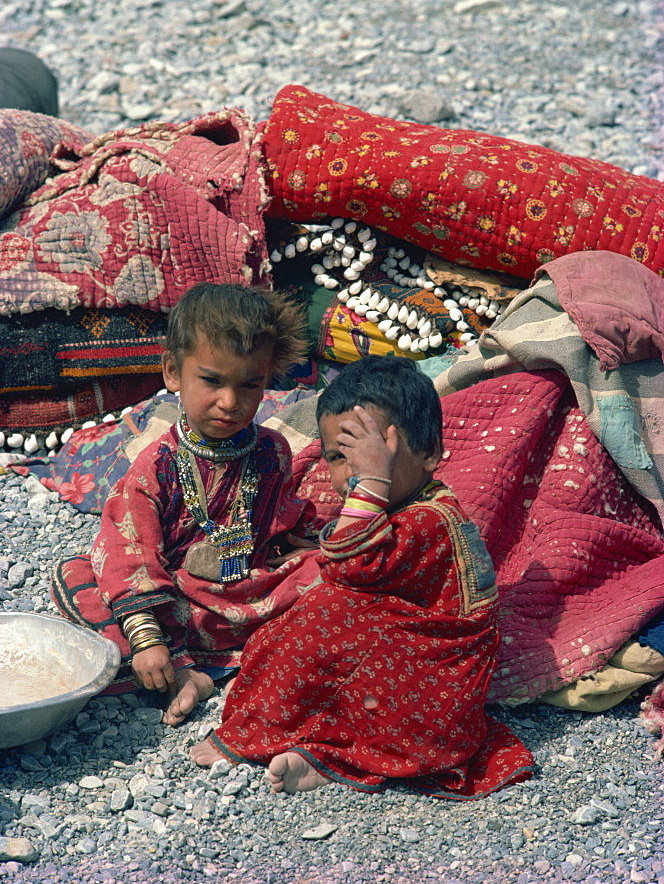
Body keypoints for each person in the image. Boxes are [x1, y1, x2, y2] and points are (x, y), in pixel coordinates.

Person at [191, 356, 533, 798]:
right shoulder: (390, 509)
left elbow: (352, 571)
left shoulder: (431, 519)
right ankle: (324, 754)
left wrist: (372, 482)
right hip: (392, 671)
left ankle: (299, 741)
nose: (355, 472)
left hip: (431, 699)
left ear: (429, 453)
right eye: (339, 456)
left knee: (325, 613)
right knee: (305, 611)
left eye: (374, 452)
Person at [52, 282, 321, 726]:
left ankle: (192, 670)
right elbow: (129, 551)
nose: (230, 403)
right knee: (78, 577)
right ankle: (179, 662)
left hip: (239, 590)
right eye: (212, 381)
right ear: (173, 372)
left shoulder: (272, 451)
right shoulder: (156, 465)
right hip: (170, 599)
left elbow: (284, 522)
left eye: (250, 384)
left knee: (322, 572)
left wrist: (308, 548)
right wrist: (146, 636)